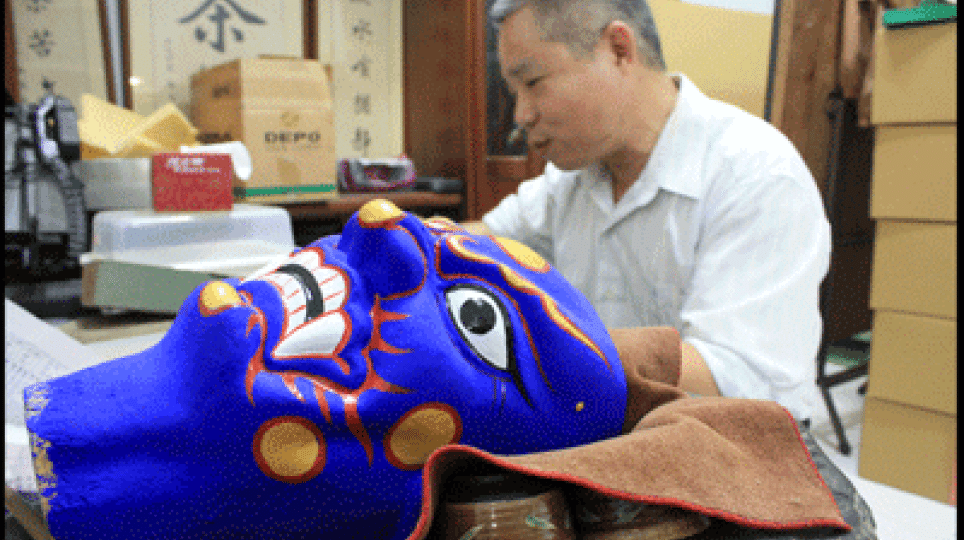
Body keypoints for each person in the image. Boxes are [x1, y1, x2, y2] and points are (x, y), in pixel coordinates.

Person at [464, 0, 832, 422]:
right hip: (616, 427)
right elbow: (484, 240)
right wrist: (410, 240)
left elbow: (734, 378)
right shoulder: (572, 179)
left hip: (728, 440)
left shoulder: (755, 175)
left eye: (533, 82)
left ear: (619, 49)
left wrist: (544, 351)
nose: (522, 115)